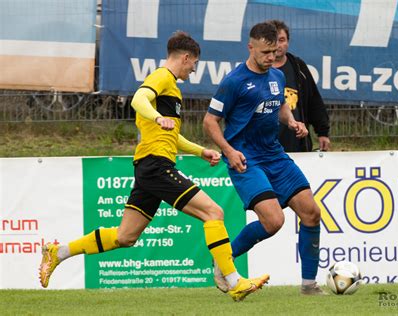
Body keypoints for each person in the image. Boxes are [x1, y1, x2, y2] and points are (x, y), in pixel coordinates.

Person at [39, 31, 269, 302]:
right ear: (185, 58)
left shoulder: (172, 87)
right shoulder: (162, 77)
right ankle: (233, 281)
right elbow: (138, 100)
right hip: (156, 166)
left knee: (125, 236)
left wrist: (200, 151)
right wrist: (159, 117)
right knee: (213, 212)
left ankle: (60, 252)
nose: (194, 69)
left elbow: (171, 134)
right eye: (194, 63)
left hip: (150, 167)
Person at [203, 22, 325, 295]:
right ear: (251, 47)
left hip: (275, 155)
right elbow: (210, 122)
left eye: (275, 51)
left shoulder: (277, 76)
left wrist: (293, 122)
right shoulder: (234, 81)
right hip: (246, 159)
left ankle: (309, 285)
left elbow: (279, 105)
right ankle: (225, 259)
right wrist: (229, 151)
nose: (272, 57)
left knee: (311, 213)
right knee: (273, 221)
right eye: (266, 52)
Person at [267, 19, 330, 152]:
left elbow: (314, 100)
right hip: (265, 144)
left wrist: (323, 132)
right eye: (274, 40)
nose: (278, 45)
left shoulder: (298, 66)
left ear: (288, 42)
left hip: (295, 143)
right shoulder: (257, 69)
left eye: (282, 40)